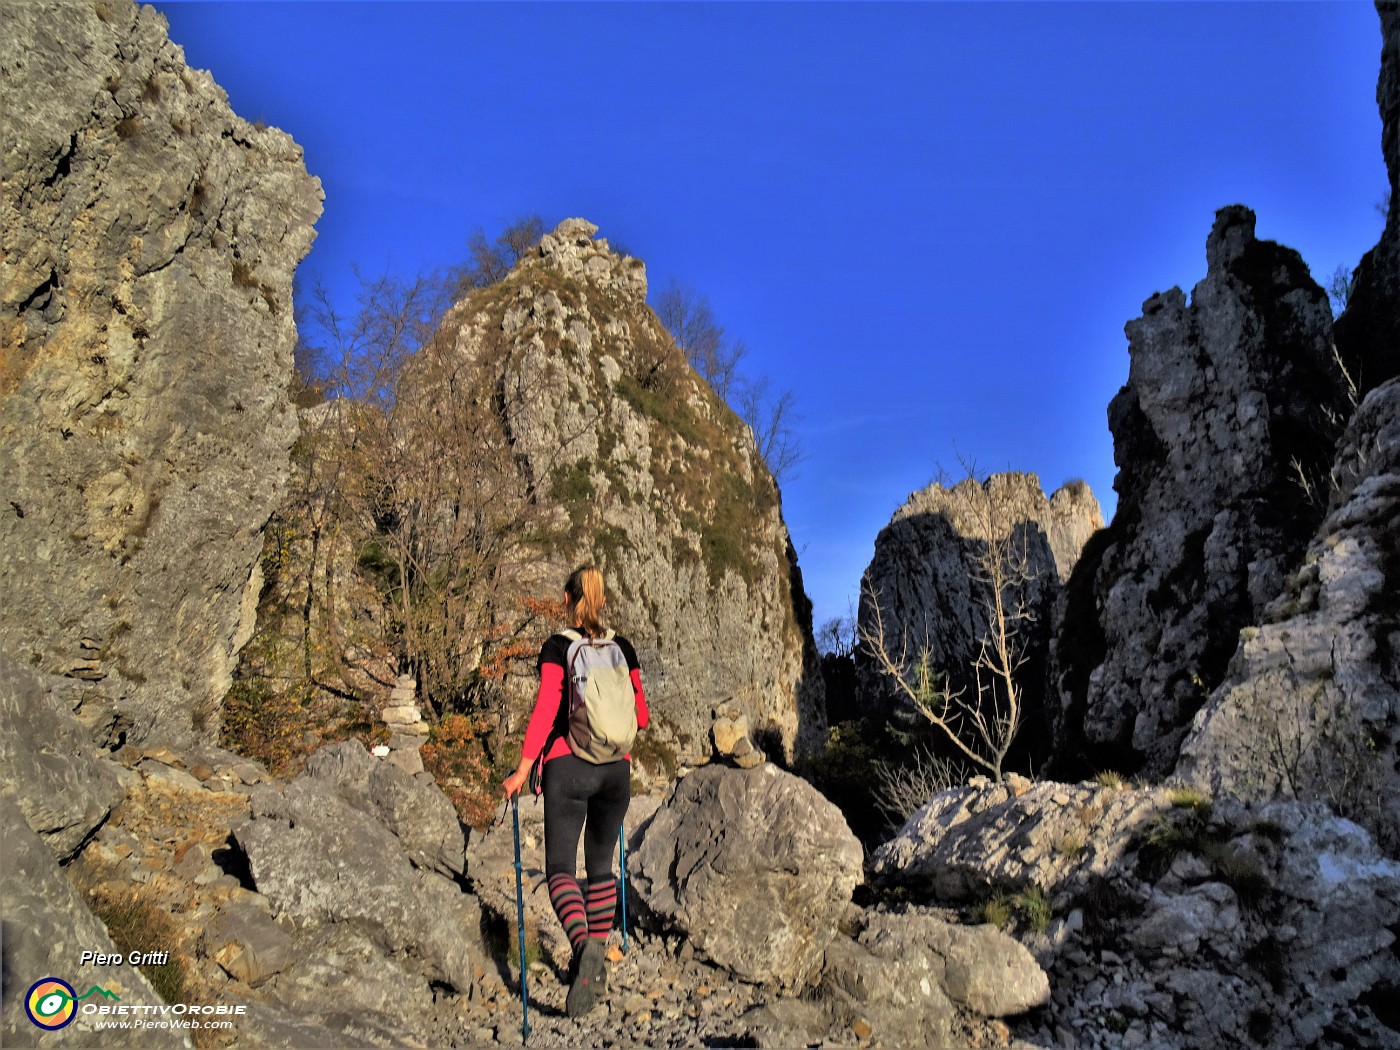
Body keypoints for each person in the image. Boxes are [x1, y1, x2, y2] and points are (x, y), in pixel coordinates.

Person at [502, 564, 649, 1018]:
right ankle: (596, 955)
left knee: (561, 868)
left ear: (567, 600)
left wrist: (522, 769)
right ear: (602, 601)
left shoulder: (557, 646)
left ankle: (584, 946)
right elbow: (641, 717)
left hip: (569, 767)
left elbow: (547, 710)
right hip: (616, 772)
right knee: (601, 867)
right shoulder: (622, 648)